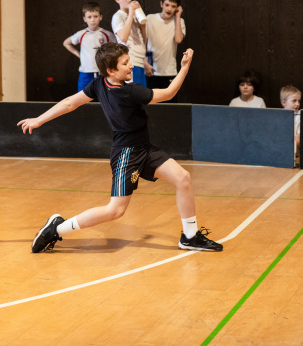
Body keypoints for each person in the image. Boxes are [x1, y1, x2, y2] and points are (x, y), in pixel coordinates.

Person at [17, 43, 223, 254]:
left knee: (183, 178)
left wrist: (39, 120)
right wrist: (185, 68)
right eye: (125, 63)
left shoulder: (101, 84)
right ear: (111, 70)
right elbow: (169, 93)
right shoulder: (129, 91)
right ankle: (57, 228)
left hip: (145, 148)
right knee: (115, 210)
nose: (131, 66)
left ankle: (190, 237)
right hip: (127, 154)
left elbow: (71, 102)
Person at [63, 2, 116, 91]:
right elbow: (66, 43)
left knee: (103, 99)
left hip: (103, 73)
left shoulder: (107, 34)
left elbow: (116, 47)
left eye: (95, 16)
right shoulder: (81, 34)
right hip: (85, 73)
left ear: (100, 17)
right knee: (82, 100)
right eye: (89, 17)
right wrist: (79, 54)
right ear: (84, 19)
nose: (92, 20)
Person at [145, 0, 186, 102]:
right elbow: (142, 42)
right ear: (161, 4)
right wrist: (145, 63)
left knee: (170, 106)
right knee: (151, 104)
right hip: (151, 70)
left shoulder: (179, 21)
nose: (169, 9)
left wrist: (177, 17)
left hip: (170, 71)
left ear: (177, 8)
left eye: (173, 6)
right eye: (167, 5)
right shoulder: (150, 18)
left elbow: (178, 39)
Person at [111, 0, 148, 87]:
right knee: (133, 96)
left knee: (142, 97)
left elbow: (143, 40)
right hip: (130, 62)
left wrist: (143, 25)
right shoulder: (118, 16)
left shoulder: (136, 16)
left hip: (140, 61)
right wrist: (131, 14)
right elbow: (123, 38)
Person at [280, 85, 302, 165]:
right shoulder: (278, 116)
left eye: (299, 101)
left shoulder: (300, 116)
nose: (297, 104)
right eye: (294, 101)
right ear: (284, 102)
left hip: (295, 154)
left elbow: (298, 139)